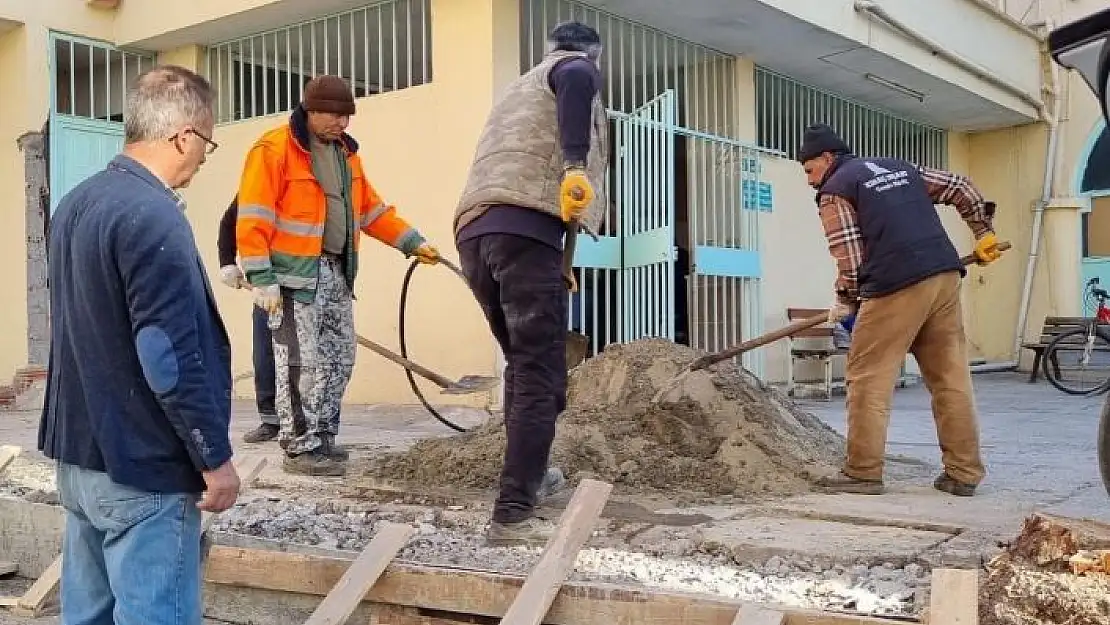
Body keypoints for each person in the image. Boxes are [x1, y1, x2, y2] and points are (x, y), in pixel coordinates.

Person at [38, 65, 238, 625]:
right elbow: (166, 358)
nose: (203, 159)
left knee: (88, 617)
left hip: (81, 461)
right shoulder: (154, 216)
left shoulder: (75, 205)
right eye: (208, 144)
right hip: (142, 470)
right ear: (184, 136)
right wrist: (214, 459)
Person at [237, 75, 440, 477]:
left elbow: (371, 212)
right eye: (334, 115)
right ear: (310, 109)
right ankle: (299, 448)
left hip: (336, 273)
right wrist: (262, 279)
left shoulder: (348, 157)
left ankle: (324, 435)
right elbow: (254, 214)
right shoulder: (274, 149)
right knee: (300, 363)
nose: (342, 124)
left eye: (347, 116)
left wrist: (412, 242)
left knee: (340, 359)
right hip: (292, 279)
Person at [453, 21, 609, 544]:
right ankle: (514, 508)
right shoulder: (576, 69)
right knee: (541, 373)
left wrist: (562, 255)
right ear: (593, 54)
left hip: (477, 234)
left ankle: (532, 475)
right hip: (523, 233)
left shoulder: (518, 89)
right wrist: (575, 164)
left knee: (526, 366)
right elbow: (577, 88)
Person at [798, 123, 1002, 498]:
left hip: (895, 285)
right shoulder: (900, 168)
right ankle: (964, 472)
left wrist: (845, 300)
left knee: (867, 379)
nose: (810, 181)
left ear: (827, 159)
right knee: (950, 378)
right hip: (943, 278)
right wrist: (982, 231)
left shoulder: (835, 190)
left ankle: (862, 473)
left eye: (809, 170)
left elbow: (851, 258)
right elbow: (960, 186)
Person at [218, 195, 345, 444]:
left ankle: (313, 423)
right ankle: (270, 419)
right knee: (266, 351)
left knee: (312, 357)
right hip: (270, 283)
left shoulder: (322, 185)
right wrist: (227, 263)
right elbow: (229, 222)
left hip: (310, 282)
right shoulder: (263, 182)